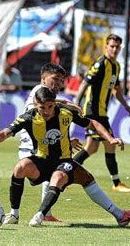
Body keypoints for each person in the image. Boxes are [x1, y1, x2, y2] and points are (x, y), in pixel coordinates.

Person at [0, 87, 130, 227]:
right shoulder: (28, 118)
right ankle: (14, 214)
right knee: (20, 167)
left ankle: (40, 215)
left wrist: (110, 138)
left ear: (54, 103)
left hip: (63, 162)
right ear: (35, 105)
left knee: (60, 176)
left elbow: (93, 123)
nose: (47, 111)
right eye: (42, 107)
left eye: (50, 106)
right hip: (40, 161)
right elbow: (4, 133)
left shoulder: (65, 112)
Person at [14, 63, 77, 223]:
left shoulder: (47, 97)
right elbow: (38, 116)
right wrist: (64, 104)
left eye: (61, 80)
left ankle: (45, 213)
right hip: (32, 145)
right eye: (55, 79)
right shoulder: (38, 92)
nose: (58, 84)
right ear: (43, 79)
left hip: (41, 142)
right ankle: (20, 212)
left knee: (51, 176)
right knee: (51, 173)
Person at [73, 34, 130, 192]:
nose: (114, 49)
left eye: (117, 47)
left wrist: (126, 105)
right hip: (93, 112)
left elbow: (116, 89)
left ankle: (65, 172)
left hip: (102, 112)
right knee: (110, 143)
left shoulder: (117, 66)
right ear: (106, 46)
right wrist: (76, 103)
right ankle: (116, 183)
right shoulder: (101, 63)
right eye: (112, 46)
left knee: (91, 148)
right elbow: (85, 82)